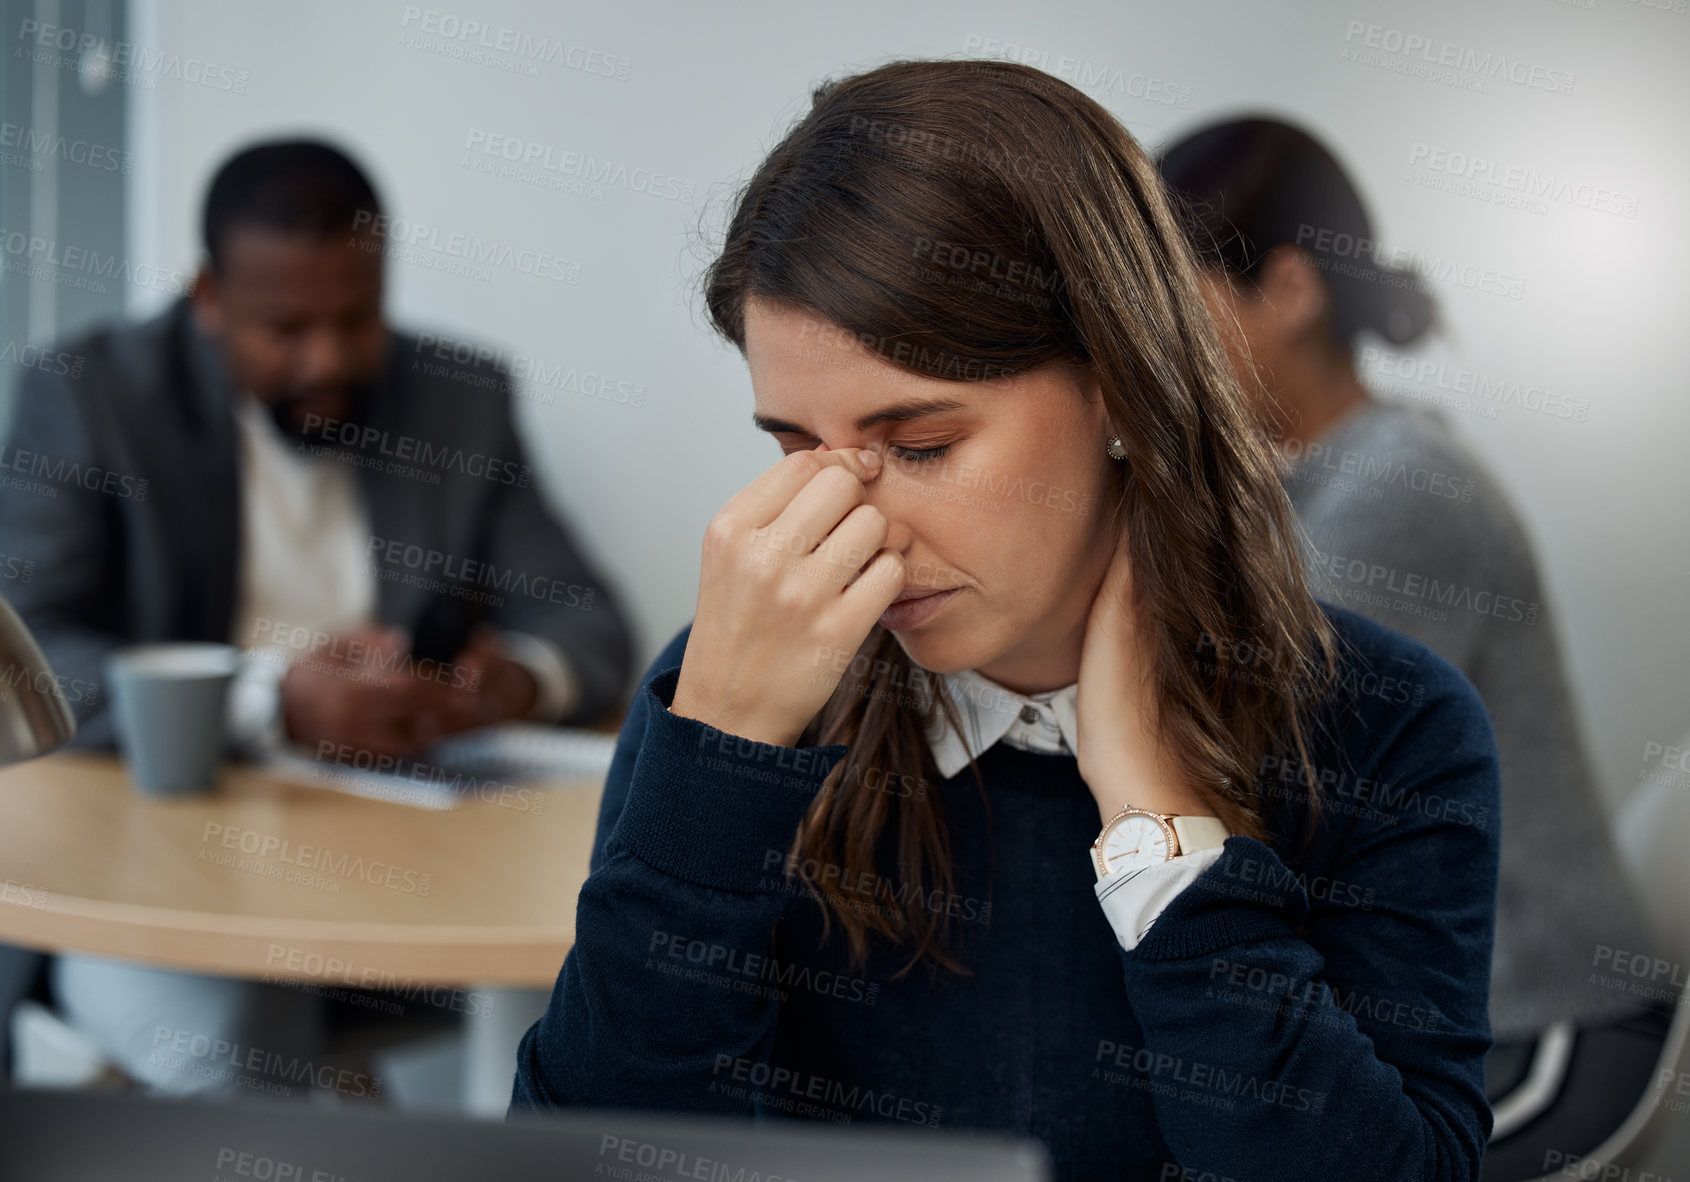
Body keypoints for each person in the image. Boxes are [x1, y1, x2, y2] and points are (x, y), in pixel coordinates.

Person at [508, 61, 1500, 1182]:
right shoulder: (732, 691)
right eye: (793, 448)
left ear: (1120, 388)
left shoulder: (1389, 727)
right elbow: (586, 1160)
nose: (846, 523)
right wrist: (716, 762)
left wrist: (1160, 839)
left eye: (921, 446)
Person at [0, 139, 635, 1092]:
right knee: (241, 1058)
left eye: (356, 317)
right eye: (284, 327)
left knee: (599, 998)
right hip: (153, 880)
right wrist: (272, 700)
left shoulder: (459, 398)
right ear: (208, 298)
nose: (326, 357)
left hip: (411, 870)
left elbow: (586, 621)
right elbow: (34, 649)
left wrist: (511, 683)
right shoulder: (88, 395)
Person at [1156, 117, 1669, 1178]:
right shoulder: (1299, 487)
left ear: (1289, 290)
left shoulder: (1394, 491)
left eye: (1174, 303)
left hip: (1540, 1028)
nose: (1152, 345)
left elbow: (1244, 756)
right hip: (1444, 1018)